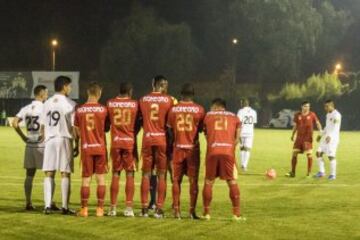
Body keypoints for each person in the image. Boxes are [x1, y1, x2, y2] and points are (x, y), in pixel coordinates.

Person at [12, 85, 55, 210]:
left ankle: (28, 203)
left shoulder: (26, 108)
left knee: (29, 174)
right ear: (42, 94)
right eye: (46, 94)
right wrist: (43, 134)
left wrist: (23, 137)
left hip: (30, 145)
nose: (47, 96)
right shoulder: (45, 107)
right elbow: (46, 124)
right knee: (49, 174)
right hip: (43, 145)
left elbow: (14, 123)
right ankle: (49, 203)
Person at [202, 98, 245, 221]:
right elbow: (237, 138)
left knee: (209, 182)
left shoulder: (208, 116)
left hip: (212, 152)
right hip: (228, 152)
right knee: (232, 181)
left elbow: (206, 135)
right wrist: (229, 147)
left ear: (216, 106)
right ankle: (236, 214)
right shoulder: (234, 116)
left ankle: (206, 214)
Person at [167, 83, 205, 219]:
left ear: (181, 94)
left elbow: (170, 130)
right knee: (193, 181)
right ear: (193, 95)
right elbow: (201, 129)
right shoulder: (199, 109)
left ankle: (176, 211)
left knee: (176, 180)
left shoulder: (173, 109)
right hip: (192, 150)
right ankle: (191, 212)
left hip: (177, 148)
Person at [41, 76, 77, 215]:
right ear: (64, 86)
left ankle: (47, 206)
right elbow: (74, 127)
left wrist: (45, 139)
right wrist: (77, 143)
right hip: (64, 138)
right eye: (69, 86)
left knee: (49, 173)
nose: (70, 88)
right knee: (65, 173)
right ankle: (64, 207)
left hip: (50, 139)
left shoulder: (47, 103)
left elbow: (43, 126)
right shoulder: (71, 104)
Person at [139, 75, 173, 218]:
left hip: (147, 138)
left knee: (146, 174)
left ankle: (145, 209)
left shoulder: (143, 99)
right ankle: (159, 209)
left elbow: (140, 119)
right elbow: (171, 123)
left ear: (153, 84)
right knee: (161, 175)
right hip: (162, 140)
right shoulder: (169, 100)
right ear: (162, 85)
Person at [74, 82, 108, 217]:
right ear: (99, 93)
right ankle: (100, 209)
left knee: (86, 180)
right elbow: (106, 128)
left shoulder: (79, 110)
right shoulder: (104, 109)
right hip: (100, 148)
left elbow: (76, 132)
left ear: (88, 92)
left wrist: (77, 144)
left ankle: (84, 209)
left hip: (87, 148)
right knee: (101, 179)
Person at [107, 82, 139, 217]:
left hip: (116, 142)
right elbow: (137, 124)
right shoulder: (135, 104)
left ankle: (113, 208)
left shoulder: (110, 103)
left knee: (115, 173)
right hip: (129, 143)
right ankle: (128, 208)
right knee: (130, 174)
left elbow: (107, 124)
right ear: (130, 91)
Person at [286, 101, 322, 177]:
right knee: (294, 153)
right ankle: (293, 172)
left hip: (307, 139)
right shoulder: (297, 115)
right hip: (299, 138)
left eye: (308, 106)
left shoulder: (312, 114)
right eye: (305, 106)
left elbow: (317, 123)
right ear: (302, 107)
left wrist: (320, 132)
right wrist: (292, 135)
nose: (307, 108)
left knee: (309, 154)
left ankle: (308, 173)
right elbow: (295, 126)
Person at [314, 100, 342, 180]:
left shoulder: (337, 115)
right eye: (325, 106)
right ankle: (321, 172)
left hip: (333, 139)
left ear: (331, 106)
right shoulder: (328, 114)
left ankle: (333, 175)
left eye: (327, 106)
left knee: (331, 156)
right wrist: (321, 134)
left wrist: (330, 136)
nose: (325, 108)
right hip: (326, 138)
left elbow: (335, 127)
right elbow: (327, 127)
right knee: (318, 153)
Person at [236, 99, 257, 171]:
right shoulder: (254, 112)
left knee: (242, 148)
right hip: (250, 133)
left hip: (241, 132)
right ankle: (245, 165)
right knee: (247, 149)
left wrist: (237, 133)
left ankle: (242, 164)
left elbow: (238, 123)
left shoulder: (240, 111)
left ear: (242, 103)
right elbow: (254, 123)